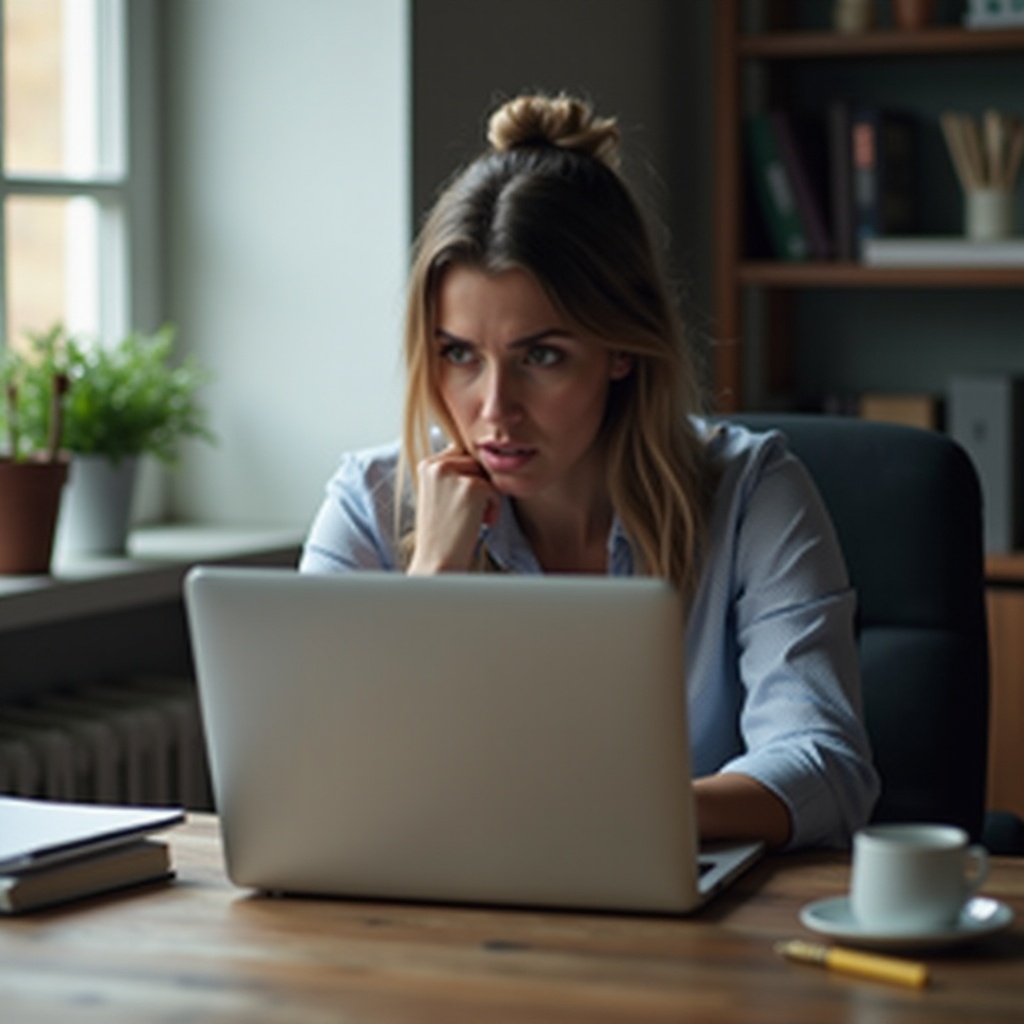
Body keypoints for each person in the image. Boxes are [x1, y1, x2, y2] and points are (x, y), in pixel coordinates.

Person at [300, 92, 879, 850]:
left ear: (622, 350)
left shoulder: (751, 493)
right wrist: (435, 574)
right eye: (459, 355)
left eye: (542, 356)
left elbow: (825, 768)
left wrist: (606, 818)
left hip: (677, 921)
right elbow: (319, 776)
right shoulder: (372, 505)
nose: (493, 409)